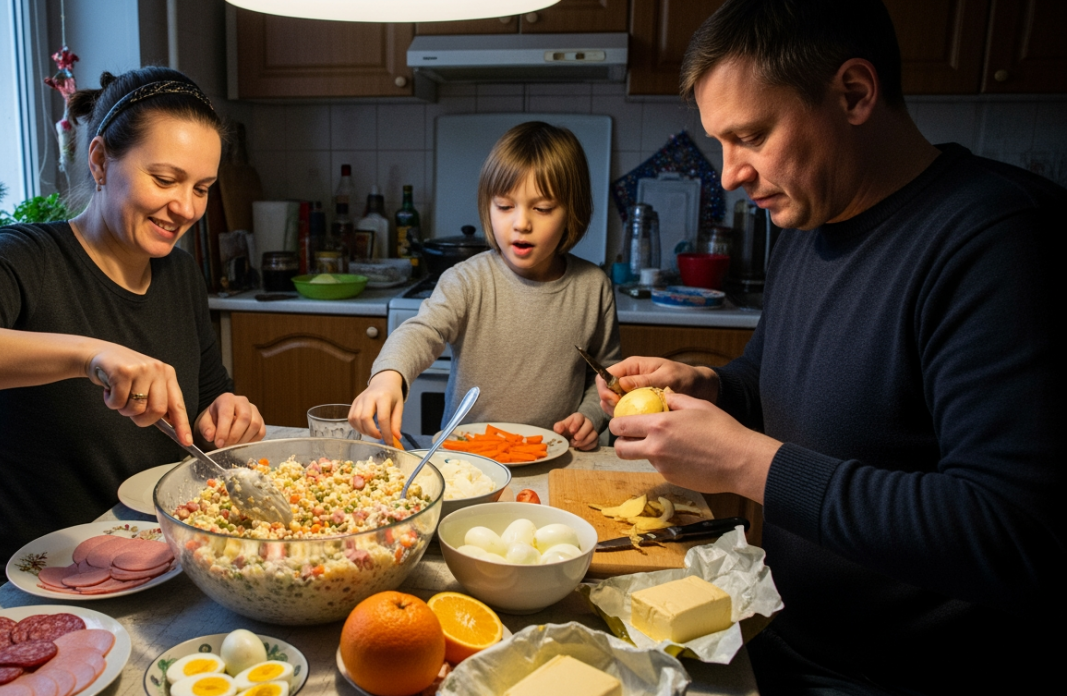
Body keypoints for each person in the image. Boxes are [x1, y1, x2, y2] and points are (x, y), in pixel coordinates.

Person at [598, 1, 1066, 693]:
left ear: (853, 93)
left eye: (751, 135)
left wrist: (747, 464)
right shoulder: (807, 224)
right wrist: (712, 386)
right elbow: (779, 381)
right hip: (784, 639)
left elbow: (1009, 533)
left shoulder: (999, 241)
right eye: (721, 142)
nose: (728, 174)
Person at [0, 67, 265, 620]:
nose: (186, 208)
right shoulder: (26, 258)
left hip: (149, 565)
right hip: (17, 585)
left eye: (202, 188)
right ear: (99, 161)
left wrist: (227, 413)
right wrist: (85, 355)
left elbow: (209, 399)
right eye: (165, 180)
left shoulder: (179, 274)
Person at [350, 121, 620, 450]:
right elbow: (422, 331)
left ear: (571, 212)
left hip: (555, 457)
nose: (521, 223)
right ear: (487, 206)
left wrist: (591, 415)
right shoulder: (466, 280)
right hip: (467, 461)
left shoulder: (593, 288)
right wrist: (388, 377)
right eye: (505, 206)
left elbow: (606, 373)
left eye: (543, 208)